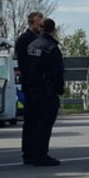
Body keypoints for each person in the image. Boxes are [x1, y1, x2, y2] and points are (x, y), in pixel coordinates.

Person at [22, 18, 64, 166]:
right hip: (46, 91)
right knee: (44, 124)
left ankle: (29, 154)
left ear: (40, 28)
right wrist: (59, 89)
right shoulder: (51, 48)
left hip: (31, 90)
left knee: (31, 123)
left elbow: (25, 67)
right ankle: (41, 155)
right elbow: (57, 72)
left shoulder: (31, 45)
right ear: (54, 30)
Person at [14, 11, 43, 86]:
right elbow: (22, 61)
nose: (40, 27)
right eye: (38, 24)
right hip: (30, 81)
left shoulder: (42, 39)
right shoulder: (24, 39)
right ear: (30, 23)